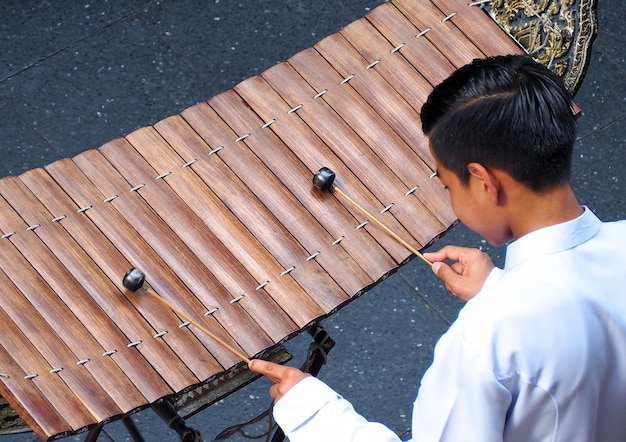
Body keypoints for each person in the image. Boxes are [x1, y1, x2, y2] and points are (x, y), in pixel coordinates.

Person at [248, 54, 626, 441]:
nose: (450, 196)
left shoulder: (485, 340)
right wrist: (498, 289)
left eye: (447, 184)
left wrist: (314, 413)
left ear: (482, 181)